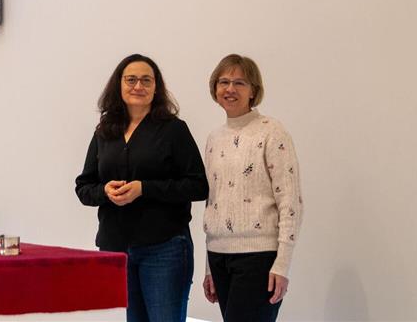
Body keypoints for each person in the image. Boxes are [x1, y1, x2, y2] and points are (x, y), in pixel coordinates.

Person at [75, 54, 209, 322]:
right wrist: (106, 193)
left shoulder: (173, 130)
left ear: (156, 87)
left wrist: (144, 189)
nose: (138, 86)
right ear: (119, 85)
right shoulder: (105, 131)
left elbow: (198, 186)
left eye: (146, 80)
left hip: (164, 248)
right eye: (131, 80)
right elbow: (84, 187)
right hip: (117, 248)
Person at [201, 54, 304, 322]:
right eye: (223, 82)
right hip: (220, 256)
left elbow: (290, 201)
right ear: (215, 88)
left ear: (253, 91)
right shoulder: (213, 139)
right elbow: (213, 202)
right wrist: (208, 266)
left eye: (239, 83)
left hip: (258, 258)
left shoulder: (271, 132)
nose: (230, 89)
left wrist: (282, 264)